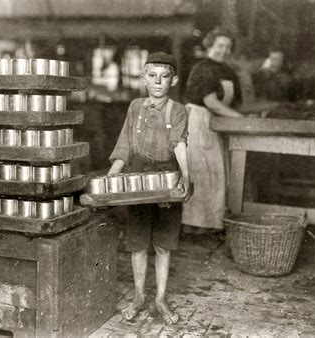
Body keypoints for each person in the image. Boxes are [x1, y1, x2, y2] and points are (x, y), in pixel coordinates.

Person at [108, 52, 191, 324]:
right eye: (152, 76)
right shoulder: (135, 107)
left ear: (173, 80)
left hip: (167, 180)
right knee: (138, 244)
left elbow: (179, 144)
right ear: (143, 78)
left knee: (164, 244)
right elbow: (125, 144)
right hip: (138, 179)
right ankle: (139, 296)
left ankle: (160, 299)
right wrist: (112, 176)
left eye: (164, 76)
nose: (158, 82)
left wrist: (185, 178)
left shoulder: (178, 110)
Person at [182, 28, 244, 235]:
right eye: (220, 46)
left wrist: (238, 115)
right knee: (201, 173)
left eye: (228, 47)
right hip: (199, 122)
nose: (224, 50)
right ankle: (192, 225)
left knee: (216, 175)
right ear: (210, 45)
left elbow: (235, 102)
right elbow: (211, 103)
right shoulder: (203, 68)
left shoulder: (228, 71)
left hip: (219, 123)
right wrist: (239, 119)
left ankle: (209, 224)